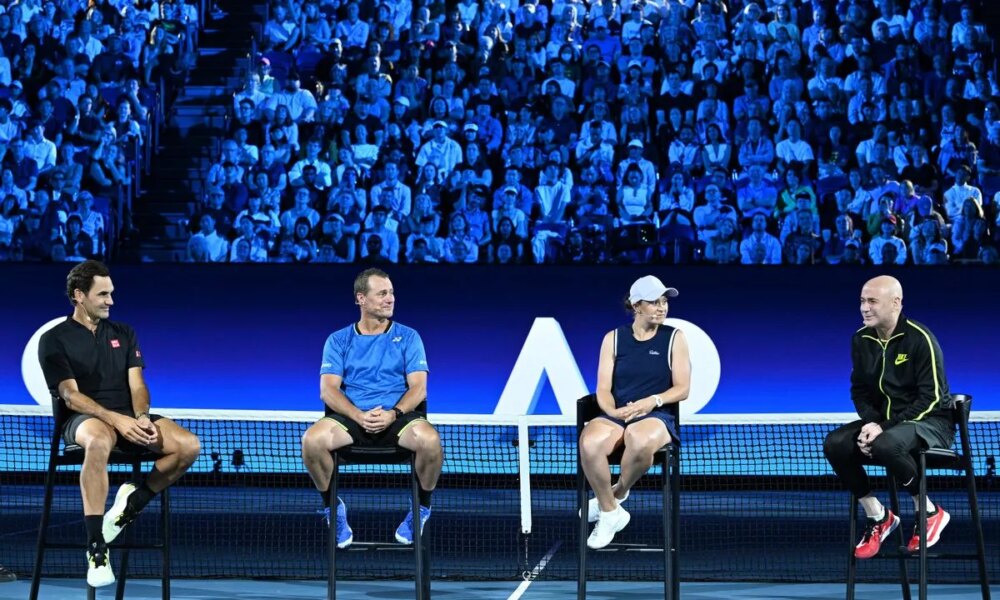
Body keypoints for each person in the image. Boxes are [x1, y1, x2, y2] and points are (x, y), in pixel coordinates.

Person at [37, 261, 201, 587]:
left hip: (128, 418)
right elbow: (70, 395)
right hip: (83, 421)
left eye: (111, 293)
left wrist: (141, 417)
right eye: (103, 294)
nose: (110, 300)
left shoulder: (124, 333)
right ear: (79, 295)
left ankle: (133, 503)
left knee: (188, 446)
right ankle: (96, 546)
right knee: (99, 440)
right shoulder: (54, 339)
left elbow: (138, 385)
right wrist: (115, 420)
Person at [300, 268, 442, 548]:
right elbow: (328, 390)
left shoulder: (409, 337)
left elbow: (419, 388)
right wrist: (358, 415)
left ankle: (421, 508)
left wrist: (393, 414)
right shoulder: (338, 340)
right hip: (353, 419)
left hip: (398, 419)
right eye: (382, 293)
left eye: (391, 293)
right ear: (361, 299)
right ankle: (332, 507)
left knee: (430, 442)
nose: (390, 299)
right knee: (311, 441)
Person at [823, 276, 954, 561]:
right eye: (862, 301)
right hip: (887, 426)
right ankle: (878, 516)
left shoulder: (920, 339)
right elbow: (859, 391)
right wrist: (872, 423)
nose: (864, 308)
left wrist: (883, 428)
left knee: (886, 444)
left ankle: (929, 511)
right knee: (836, 443)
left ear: (895, 303)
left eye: (872, 301)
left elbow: (931, 398)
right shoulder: (861, 339)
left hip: (931, 424)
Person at [578, 275, 691, 549]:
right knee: (589, 442)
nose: (662, 307)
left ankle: (616, 493)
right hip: (618, 414)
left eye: (664, 301)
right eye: (654, 302)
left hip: (657, 415)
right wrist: (612, 411)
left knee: (639, 440)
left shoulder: (675, 338)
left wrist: (652, 401)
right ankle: (610, 512)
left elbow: (682, 388)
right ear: (636, 305)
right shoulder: (613, 339)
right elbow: (603, 388)